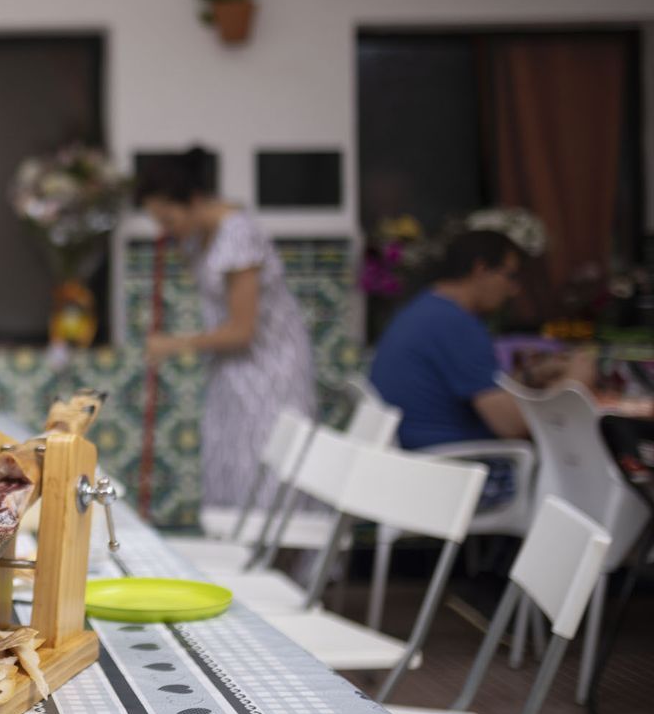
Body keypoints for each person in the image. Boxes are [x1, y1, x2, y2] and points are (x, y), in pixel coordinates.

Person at [136, 148, 316, 509]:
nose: (166, 230)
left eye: (168, 218)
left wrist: (175, 345)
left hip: (269, 372)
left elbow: (241, 330)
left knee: (265, 484)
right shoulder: (199, 237)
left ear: (195, 200)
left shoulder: (237, 234)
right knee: (231, 475)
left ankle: (273, 566)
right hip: (233, 373)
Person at [369, 228, 592, 450]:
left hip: (413, 455)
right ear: (481, 269)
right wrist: (574, 385)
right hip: (452, 464)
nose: (514, 290)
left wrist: (530, 376)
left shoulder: (427, 308)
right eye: (510, 276)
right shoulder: (454, 323)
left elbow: (477, 385)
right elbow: (511, 425)